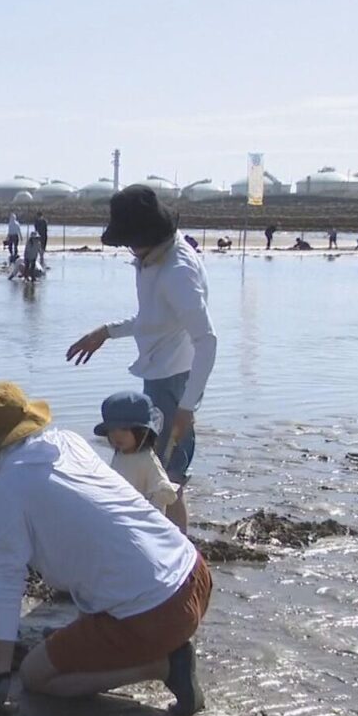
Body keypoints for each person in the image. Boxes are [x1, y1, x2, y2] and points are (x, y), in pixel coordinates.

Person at [0, 381, 211, 716]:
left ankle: (165, 665)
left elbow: (7, 581)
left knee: (36, 676)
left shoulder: (5, 491)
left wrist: (0, 677)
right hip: (194, 573)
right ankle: (121, 642)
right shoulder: (68, 441)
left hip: (158, 612)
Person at [66, 185, 216, 534]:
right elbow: (153, 318)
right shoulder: (154, 257)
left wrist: (186, 407)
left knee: (169, 478)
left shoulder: (178, 272)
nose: (130, 250)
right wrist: (107, 331)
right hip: (159, 374)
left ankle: (178, 551)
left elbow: (207, 340)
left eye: (131, 243)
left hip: (175, 381)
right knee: (156, 470)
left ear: (149, 236)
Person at [95, 391, 180, 515]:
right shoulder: (120, 454)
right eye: (112, 430)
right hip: (120, 511)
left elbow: (162, 490)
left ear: (142, 432)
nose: (117, 436)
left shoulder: (147, 460)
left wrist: (152, 512)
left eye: (124, 430)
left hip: (142, 516)